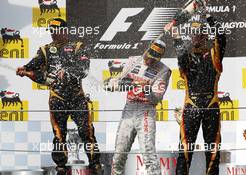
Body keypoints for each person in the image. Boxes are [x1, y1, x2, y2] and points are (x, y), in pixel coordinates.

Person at [16, 18, 102, 175]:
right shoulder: (45, 49)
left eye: (57, 31)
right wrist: (24, 70)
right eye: (52, 31)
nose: (54, 34)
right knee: (58, 134)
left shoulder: (77, 47)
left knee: (87, 131)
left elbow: (84, 70)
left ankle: (95, 165)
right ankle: (61, 167)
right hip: (57, 98)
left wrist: (67, 70)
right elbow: (32, 66)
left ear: (65, 31)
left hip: (77, 98)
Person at [166, 7, 226, 175]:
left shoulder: (214, 54)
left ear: (205, 35)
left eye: (199, 32)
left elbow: (221, 37)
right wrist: (176, 36)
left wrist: (208, 16)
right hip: (191, 106)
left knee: (213, 152)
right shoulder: (186, 57)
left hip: (211, 107)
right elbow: (181, 55)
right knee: (184, 151)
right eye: (192, 32)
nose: (195, 35)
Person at [105, 39, 171, 175]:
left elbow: (156, 98)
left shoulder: (163, 70)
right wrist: (113, 84)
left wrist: (146, 89)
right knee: (119, 154)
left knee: (148, 154)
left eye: (154, 59)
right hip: (129, 108)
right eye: (149, 56)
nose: (150, 61)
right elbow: (118, 82)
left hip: (146, 111)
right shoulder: (133, 60)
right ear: (146, 50)